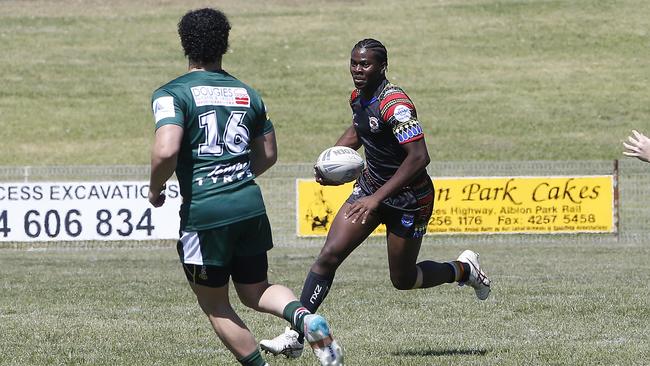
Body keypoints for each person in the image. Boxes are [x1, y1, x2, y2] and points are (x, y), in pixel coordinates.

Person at [260, 38, 491, 358]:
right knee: (329, 255)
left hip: (410, 199)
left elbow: (419, 158)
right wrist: (329, 162)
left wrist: (377, 199)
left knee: (403, 278)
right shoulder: (358, 97)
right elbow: (359, 131)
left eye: (365, 64)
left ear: (382, 66)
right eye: (354, 63)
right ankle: (296, 335)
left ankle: (464, 269)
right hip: (370, 189)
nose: (357, 69)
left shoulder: (396, 105)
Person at [147, 8, 343, 366]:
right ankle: (306, 319)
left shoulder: (171, 93)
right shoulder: (247, 93)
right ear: (224, 45)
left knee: (216, 305)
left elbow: (166, 150)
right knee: (256, 290)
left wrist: (154, 188)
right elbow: (268, 154)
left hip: (206, 213)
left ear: (185, 45)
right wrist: (234, 174)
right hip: (250, 205)